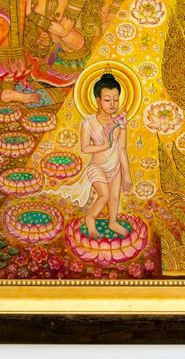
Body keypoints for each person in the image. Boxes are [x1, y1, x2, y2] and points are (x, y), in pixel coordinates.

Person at [56, 72, 134, 240]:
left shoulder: (120, 123)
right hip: (97, 167)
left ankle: (113, 221)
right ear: (98, 100)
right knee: (104, 195)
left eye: (116, 99)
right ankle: (90, 218)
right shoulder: (88, 122)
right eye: (107, 99)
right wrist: (103, 146)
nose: (112, 104)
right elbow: (85, 148)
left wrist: (127, 174)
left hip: (115, 166)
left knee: (114, 196)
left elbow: (122, 149)